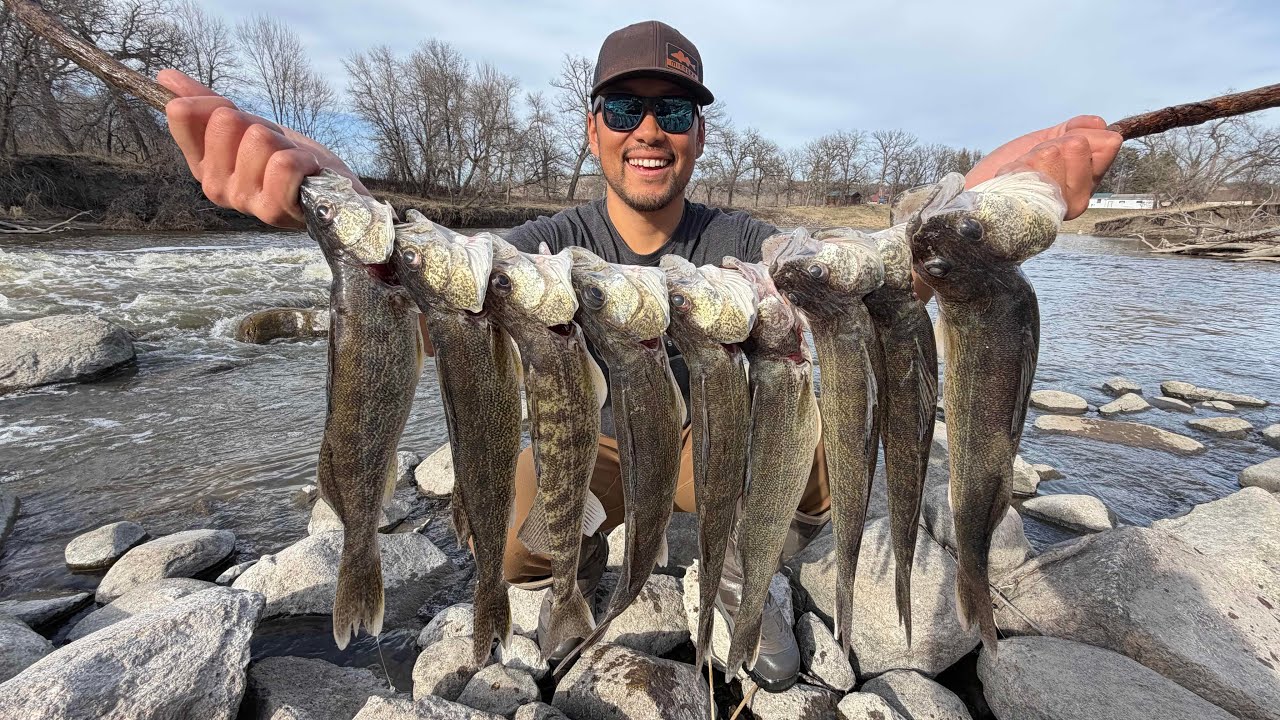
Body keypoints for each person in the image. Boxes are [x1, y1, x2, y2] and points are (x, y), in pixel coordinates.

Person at [157, 20, 1122, 692]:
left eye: (673, 112)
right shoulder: (543, 242)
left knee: (824, 457)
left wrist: (958, 221)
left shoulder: (746, 240)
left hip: (723, 442)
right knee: (502, 541)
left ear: (700, 133)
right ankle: (569, 599)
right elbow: (429, 283)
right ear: (593, 128)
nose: (648, 131)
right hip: (599, 450)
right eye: (624, 110)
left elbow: (857, 281)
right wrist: (345, 208)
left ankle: (776, 584)